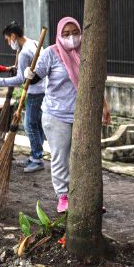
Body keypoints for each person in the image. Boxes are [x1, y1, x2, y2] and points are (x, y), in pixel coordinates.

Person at [24, 17, 111, 213]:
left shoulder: (87, 52)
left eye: (74, 32)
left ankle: (87, 197)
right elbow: (35, 75)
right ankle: (63, 197)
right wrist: (29, 74)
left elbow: (95, 82)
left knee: (84, 158)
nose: (71, 37)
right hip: (56, 115)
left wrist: (104, 106)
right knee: (60, 157)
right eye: (66, 34)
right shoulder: (51, 54)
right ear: (59, 35)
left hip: (83, 115)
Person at [0, 22, 46, 173]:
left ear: (13, 36)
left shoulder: (25, 53)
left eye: (8, 40)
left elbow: (21, 79)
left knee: (30, 125)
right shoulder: (33, 43)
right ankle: (36, 155)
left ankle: (37, 158)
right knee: (36, 124)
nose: (9, 43)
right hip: (44, 88)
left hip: (35, 91)